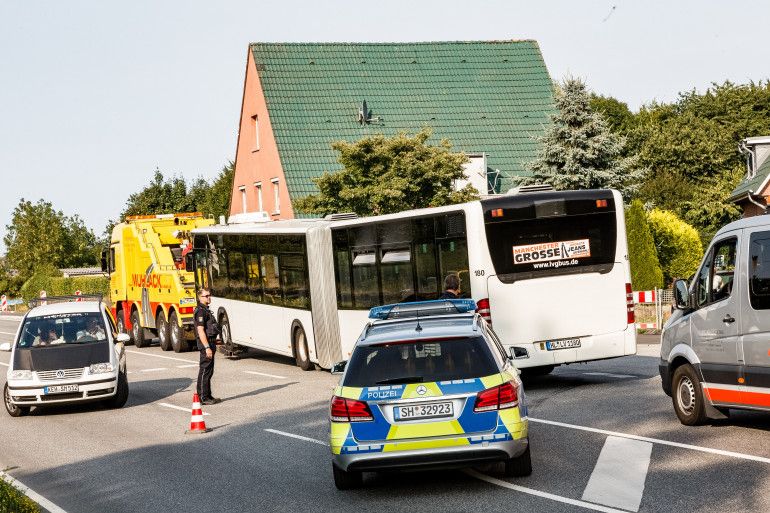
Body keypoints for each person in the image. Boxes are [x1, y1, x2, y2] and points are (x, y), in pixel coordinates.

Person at [194, 288, 221, 405]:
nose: (209, 297)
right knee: (205, 370)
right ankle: (203, 397)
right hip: (206, 344)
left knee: (209, 371)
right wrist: (207, 347)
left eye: (209, 295)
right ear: (200, 298)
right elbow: (200, 330)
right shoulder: (200, 311)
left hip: (211, 342)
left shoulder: (205, 310)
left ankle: (208, 395)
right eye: (206, 296)